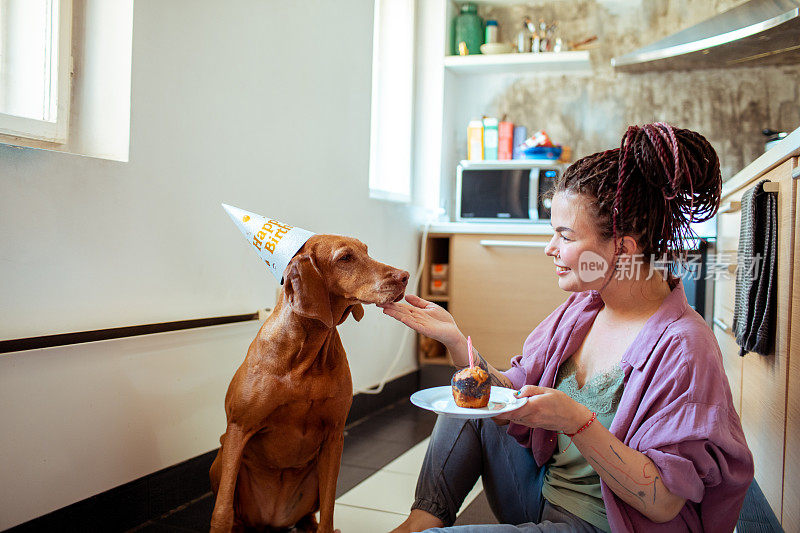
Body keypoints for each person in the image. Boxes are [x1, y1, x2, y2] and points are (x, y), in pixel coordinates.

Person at [379, 123, 754, 533]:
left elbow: (663, 502)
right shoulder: (582, 310)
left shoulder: (685, 348)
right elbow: (508, 399)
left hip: (606, 524)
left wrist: (575, 420)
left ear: (622, 248)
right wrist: (454, 338)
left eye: (564, 235)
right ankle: (420, 521)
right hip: (537, 493)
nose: (550, 248)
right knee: (469, 399)